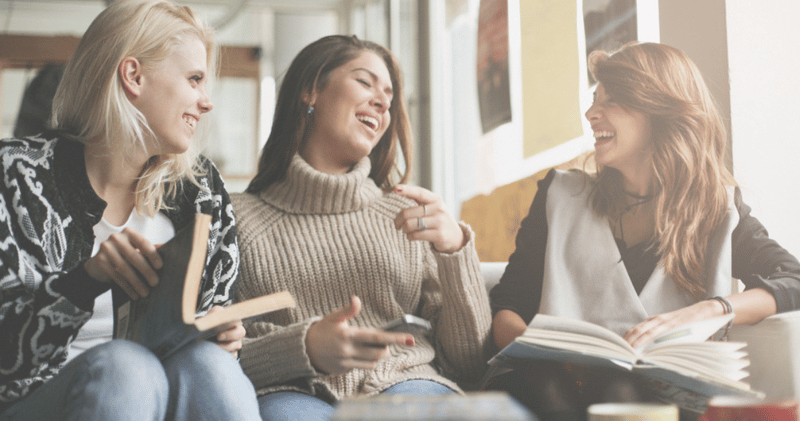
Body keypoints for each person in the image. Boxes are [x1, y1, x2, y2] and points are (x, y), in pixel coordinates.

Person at [487, 42, 800, 421]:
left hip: (660, 391)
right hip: (549, 384)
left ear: (659, 111)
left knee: (623, 391)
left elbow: (793, 279)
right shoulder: (559, 196)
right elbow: (507, 304)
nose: (590, 113)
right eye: (593, 99)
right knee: (556, 389)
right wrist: (551, 354)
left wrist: (709, 311)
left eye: (612, 101)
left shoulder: (716, 209)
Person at [0, 1, 260, 420]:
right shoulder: (15, 176)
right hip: (34, 402)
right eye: (194, 79)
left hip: (159, 395)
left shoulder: (201, 190)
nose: (206, 101)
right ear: (134, 76)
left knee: (211, 368)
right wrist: (86, 281)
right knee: (127, 366)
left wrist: (221, 338)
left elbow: (210, 324)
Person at [231, 35, 493, 421]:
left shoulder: (411, 213)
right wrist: (304, 348)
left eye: (388, 94)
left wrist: (454, 251)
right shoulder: (239, 219)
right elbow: (215, 357)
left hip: (407, 384)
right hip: (292, 390)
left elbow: (470, 364)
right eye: (365, 82)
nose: (383, 101)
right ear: (310, 90)